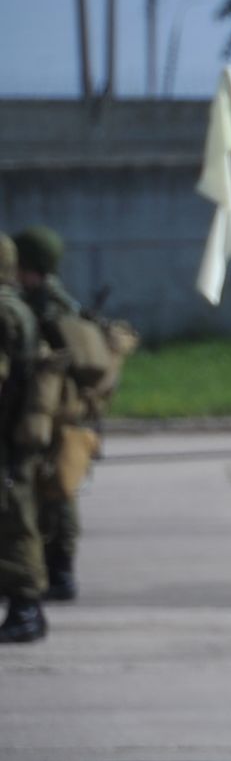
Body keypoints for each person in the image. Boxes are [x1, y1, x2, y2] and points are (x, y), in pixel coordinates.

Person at [16, 226, 91, 603]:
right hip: (60, 410)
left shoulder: (46, 306)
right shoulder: (49, 299)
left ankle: (60, 573)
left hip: (55, 411)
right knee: (56, 490)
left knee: (56, 491)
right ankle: (57, 570)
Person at [0, 235, 50, 643]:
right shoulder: (16, 305)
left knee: (13, 520)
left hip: (7, 429)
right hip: (17, 427)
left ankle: (25, 610)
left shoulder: (3, 311)